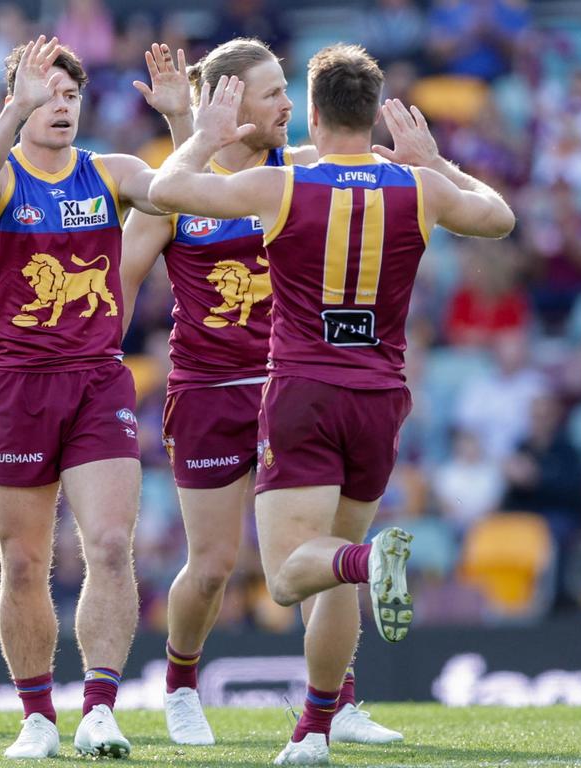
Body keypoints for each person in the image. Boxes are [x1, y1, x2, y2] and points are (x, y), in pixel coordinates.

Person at [149, 44, 515, 764]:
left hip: (303, 393)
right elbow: (499, 218)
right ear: (376, 113)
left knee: (295, 574)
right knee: (332, 566)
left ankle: (369, 564)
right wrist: (435, 160)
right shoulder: (418, 187)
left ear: (313, 114)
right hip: (382, 399)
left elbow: (167, 193)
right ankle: (316, 729)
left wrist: (199, 133)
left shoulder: (281, 183)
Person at [121, 38, 404, 748]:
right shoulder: (176, 190)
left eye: (287, 89)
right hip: (210, 388)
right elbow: (117, 288)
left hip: (298, 384)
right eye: (273, 91)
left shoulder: (305, 171)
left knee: (328, 551)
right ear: (230, 101)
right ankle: (181, 686)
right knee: (214, 565)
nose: (289, 106)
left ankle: (337, 704)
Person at [0, 36, 190, 759]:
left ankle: (100, 707)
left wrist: (182, 125)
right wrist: (10, 112)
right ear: (18, 102)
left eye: (70, 95)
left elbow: (186, 194)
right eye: (45, 95)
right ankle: (36, 718)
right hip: (20, 388)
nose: (61, 107)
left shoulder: (108, 172)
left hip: (97, 380)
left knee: (112, 546)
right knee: (24, 562)